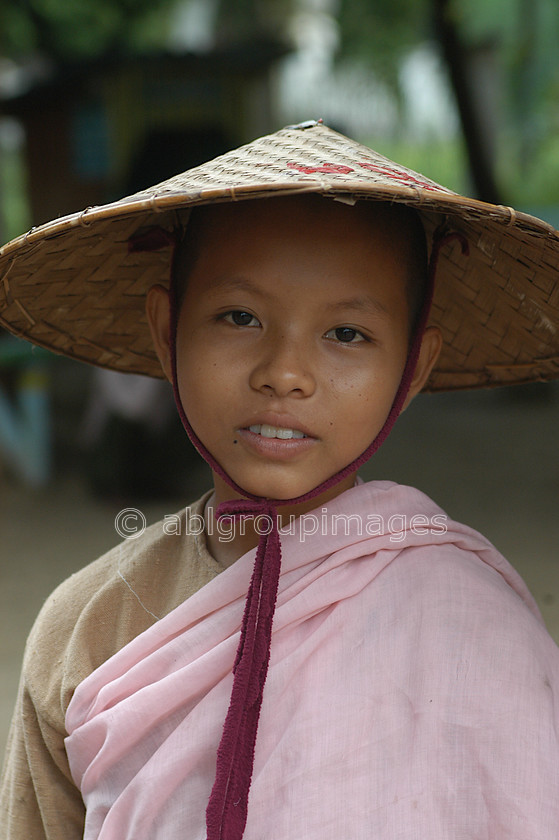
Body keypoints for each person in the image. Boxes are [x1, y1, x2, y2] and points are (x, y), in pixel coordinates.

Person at [1, 120, 559, 839]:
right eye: (239, 317)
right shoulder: (87, 624)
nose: (284, 374)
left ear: (412, 369)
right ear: (166, 332)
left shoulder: (473, 625)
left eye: (346, 334)